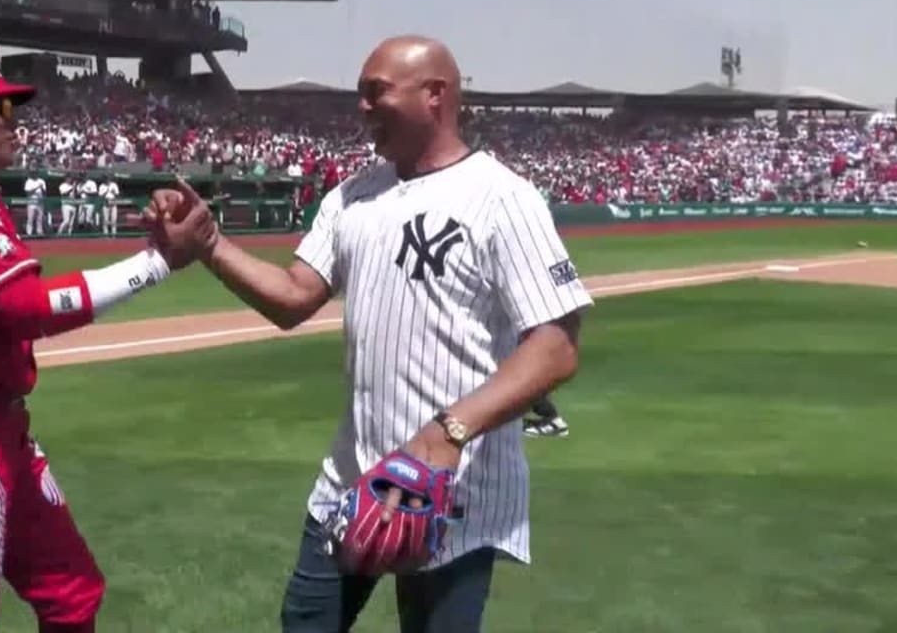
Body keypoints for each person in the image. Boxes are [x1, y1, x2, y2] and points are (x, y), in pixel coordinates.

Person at [146, 35, 593, 633]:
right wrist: (208, 245)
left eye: (374, 92)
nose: (360, 107)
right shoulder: (351, 197)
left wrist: (447, 433)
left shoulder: (502, 198)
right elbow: (294, 298)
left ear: (435, 95)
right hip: (352, 478)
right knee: (304, 624)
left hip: (454, 488)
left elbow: (556, 346)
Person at [0, 52, 212, 632]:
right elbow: (24, 307)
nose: (13, 119)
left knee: (71, 591)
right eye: (0, 106)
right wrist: (156, 264)